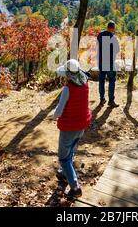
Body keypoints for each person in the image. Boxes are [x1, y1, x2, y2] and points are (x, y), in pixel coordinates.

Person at [52, 59, 92, 199]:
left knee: (63, 157)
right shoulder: (85, 83)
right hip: (81, 125)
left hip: (69, 127)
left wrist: (53, 116)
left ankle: (75, 188)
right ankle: (64, 173)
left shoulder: (68, 89)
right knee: (71, 150)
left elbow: (59, 111)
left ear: (68, 74)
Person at [97, 21, 120, 107]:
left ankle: (102, 99)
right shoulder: (113, 37)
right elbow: (117, 50)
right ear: (113, 28)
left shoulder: (99, 35)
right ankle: (111, 100)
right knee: (112, 80)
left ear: (107, 27)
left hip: (101, 61)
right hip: (109, 62)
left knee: (101, 80)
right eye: (114, 28)